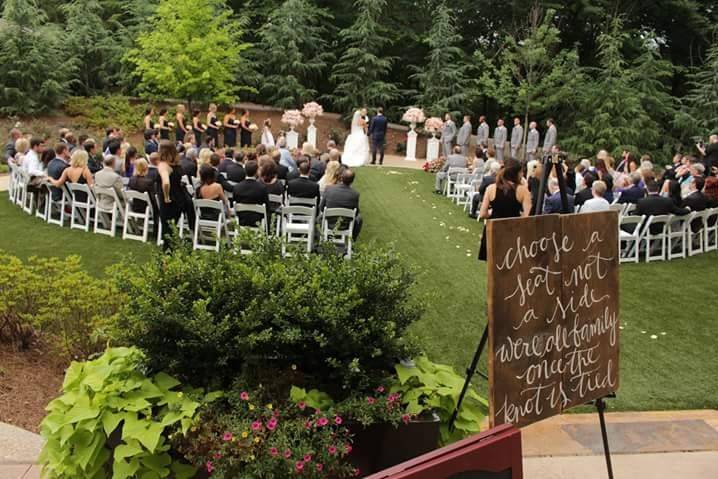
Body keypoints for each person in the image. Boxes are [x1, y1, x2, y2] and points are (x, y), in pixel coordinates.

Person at [478, 159, 532, 260]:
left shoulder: (491, 188)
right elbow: (527, 217)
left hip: (493, 229)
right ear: (517, 173)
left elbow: (482, 214)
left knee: (492, 268)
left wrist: (491, 213)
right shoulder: (523, 191)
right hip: (513, 230)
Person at [156, 140, 195, 249]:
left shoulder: (163, 165)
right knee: (172, 228)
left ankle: (167, 256)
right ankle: (174, 250)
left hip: (170, 201)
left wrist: (166, 196)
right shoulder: (177, 164)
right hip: (180, 200)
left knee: (167, 230)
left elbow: (166, 182)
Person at [320, 168, 362, 240]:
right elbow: (356, 212)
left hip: (329, 222)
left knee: (319, 217)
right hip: (345, 224)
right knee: (359, 219)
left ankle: (321, 236)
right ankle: (352, 240)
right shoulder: (355, 194)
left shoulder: (329, 189)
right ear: (352, 181)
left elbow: (321, 207)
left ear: (341, 178)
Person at [232, 160, 269, 230]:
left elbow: (234, 202)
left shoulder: (237, 187)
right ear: (256, 172)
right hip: (257, 221)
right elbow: (267, 207)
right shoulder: (262, 188)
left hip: (242, 219)